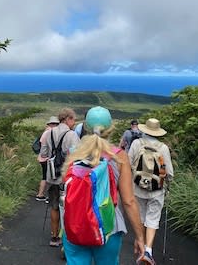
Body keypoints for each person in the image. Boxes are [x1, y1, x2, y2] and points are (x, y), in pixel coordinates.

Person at [61, 106, 145, 264]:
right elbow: (128, 201)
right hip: (108, 226)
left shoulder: (73, 153)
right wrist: (140, 237)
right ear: (111, 129)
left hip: (74, 224)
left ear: (85, 127)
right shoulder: (119, 156)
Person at [128, 118, 174, 265]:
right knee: (152, 220)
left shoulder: (137, 144)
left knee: (140, 217)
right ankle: (148, 251)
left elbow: (128, 163)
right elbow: (169, 173)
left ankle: (140, 247)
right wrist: (167, 183)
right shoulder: (163, 148)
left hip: (138, 188)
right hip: (156, 190)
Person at [39, 107, 80, 247]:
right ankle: (67, 240)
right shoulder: (72, 135)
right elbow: (77, 156)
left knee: (54, 206)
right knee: (69, 208)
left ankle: (54, 236)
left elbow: (43, 154)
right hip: (67, 177)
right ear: (67, 119)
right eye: (73, 119)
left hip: (52, 176)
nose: (74, 122)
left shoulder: (49, 133)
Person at [35, 116, 60, 201]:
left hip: (42, 158)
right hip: (47, 158)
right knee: (50, 177)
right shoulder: (52, 133)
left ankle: (40, 194)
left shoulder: (46, 132)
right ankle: (47, 196)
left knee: (44, 176)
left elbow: (41, 143)